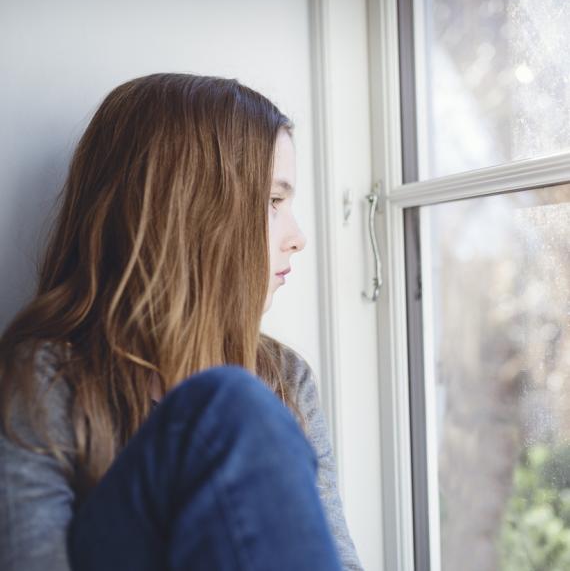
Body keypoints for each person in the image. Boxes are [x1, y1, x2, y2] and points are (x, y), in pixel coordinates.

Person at [0, 73, 363, 570]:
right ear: (190, 211)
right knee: (230, 403)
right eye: (273, 202)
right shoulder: (47, 377)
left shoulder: (285, 377)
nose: (297, 236)